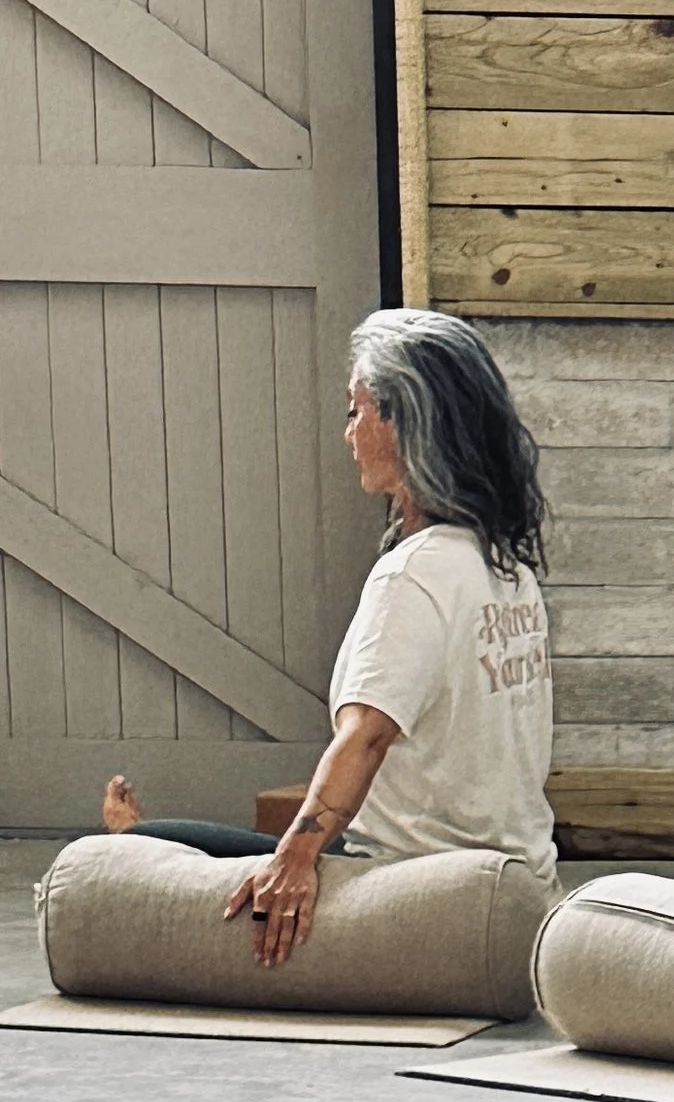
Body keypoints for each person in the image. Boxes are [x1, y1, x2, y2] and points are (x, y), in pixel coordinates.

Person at [97, 307, 553, 967]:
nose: (349, 433)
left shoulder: (413, 576)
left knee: (157, 847)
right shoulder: (505, 567)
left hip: (416, 883)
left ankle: (138, 848)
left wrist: (298, 854)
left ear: (403, 421)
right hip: (523, 882)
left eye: (356, 411)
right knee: (209, 844)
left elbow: (366, 735)